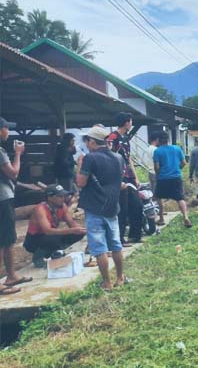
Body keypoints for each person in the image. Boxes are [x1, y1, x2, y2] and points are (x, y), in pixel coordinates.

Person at [76, 125, 126, 291]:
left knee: (99, 247)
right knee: (116, 244)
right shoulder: (118, 157)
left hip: (95, 206)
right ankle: (120, 277)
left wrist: (79, 165)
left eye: (87, 141)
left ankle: (107, 282)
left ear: (92, 142)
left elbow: (81, 182)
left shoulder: (91, 158)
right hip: (112, 206)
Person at [0, 117, 32, 295]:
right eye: (6, 129)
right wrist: (18, 153)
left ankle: (11, 275)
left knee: (10, 239)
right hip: (2, 199)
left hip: (4, 198)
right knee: (2, 241)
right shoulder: (0, 151)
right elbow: (13, 173)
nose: (8, 132)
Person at [23, 185, 86, 268]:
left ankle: (55, 251)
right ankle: (38, 258)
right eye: (60, 196)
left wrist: (82, 229)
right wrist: (72, 230)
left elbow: (71, 223)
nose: (63, 198)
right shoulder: (40, 209)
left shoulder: (62, 206)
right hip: (34, 240)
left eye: (63, 196)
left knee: (78, 233)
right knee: (53, 238)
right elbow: (47, 231)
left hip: (50, 236)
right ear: (50, 197)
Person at [107, 113, 142, 245]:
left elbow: (129, 158)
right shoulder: (113, 137)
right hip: (118, 177)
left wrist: (136, 176)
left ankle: (135, 235)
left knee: (137, 204)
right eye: (131, 121)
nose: (131, 123)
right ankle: (120, 238)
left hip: (128, 176)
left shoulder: (126, 138)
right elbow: (109, 158)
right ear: (126, 123)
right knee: (122, 208)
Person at [153, 132, 192, 228]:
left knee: (159, 197)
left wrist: (158, 174)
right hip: (176, 177)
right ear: (168, 139)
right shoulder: (177, 148)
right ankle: (185, 217)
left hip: (163, 178)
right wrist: (177, 169)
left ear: (159, 140)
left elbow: (157, 167)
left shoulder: (157, 151)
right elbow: (184, 163)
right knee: (180, 198)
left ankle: (161, 218)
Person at [147, 133, 165, 225]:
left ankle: (159, 212)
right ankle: (161, 217)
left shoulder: (148, 149)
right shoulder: (156, 150)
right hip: (156, 173)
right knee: (159, 197)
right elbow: (159, 163)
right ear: (156, 139)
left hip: (150, 172)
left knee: (154, 194)